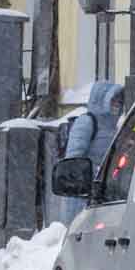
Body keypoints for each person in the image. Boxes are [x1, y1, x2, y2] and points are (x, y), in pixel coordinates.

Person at [54, 81, 126, 226]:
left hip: (104, 195)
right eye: (113, 100)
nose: (116, 105)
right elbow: (73, 162)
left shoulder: (115, 127)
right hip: (82, 196)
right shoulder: (86, 122)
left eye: (119, 101)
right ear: (102, 100)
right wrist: (92, 178)